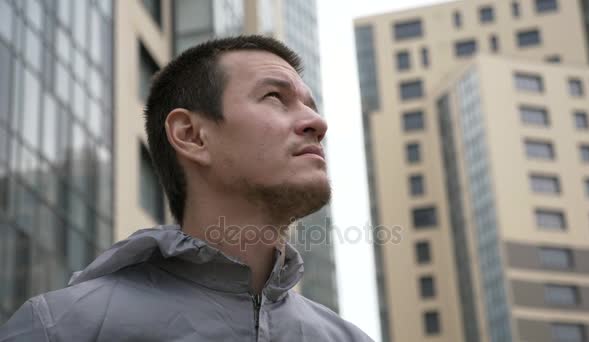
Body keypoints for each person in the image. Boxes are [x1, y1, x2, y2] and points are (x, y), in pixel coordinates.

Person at [0, 35, 373, 341]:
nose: (317, 122)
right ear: (191, 135)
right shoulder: (61, 329)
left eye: (311, 106)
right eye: (275, 97)